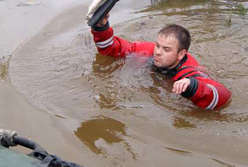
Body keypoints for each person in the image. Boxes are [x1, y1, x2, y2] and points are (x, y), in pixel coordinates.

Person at [91, 14, 231, 110]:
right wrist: (101, 26)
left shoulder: (190, 71)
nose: (158, 52)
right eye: (158, 45)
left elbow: (224, 96)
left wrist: (193, 86)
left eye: (166, 49)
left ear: (181, 54)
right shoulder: (149, 50)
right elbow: (112, 49)